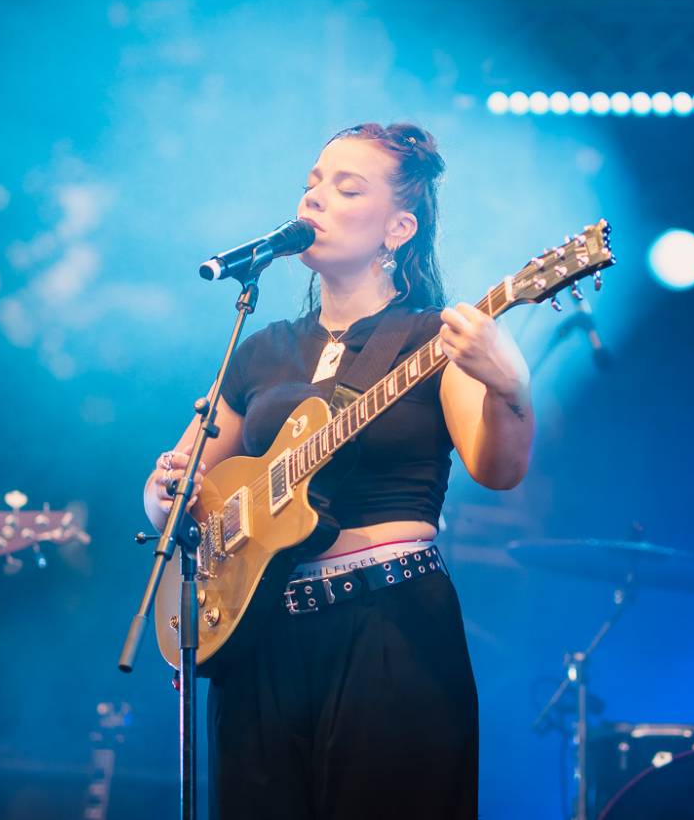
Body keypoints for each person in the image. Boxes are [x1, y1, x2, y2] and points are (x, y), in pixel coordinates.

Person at [142, 122, 534, 819]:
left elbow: (497, 469)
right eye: (312, 183)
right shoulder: (262, 349)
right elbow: (177, 492)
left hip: (389, 630)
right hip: (259, 636)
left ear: (398, 228)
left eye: (345, 187)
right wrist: (163, 490)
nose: (315, 198)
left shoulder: (437, 337)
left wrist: (509, 388)